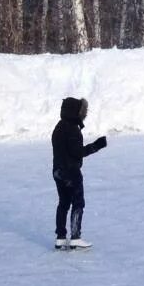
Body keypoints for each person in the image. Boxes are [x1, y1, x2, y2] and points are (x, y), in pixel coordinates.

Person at [52, 97, 108, 250]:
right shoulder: (72, 129)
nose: (84, 114)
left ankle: (61, 237)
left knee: (63, 203)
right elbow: (78, 152)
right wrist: (97, 145)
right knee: (78, 203)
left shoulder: (59, 127)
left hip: (57, 172)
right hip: (71, 173)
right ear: (75, 112)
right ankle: (75, 236)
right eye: (82, 111)